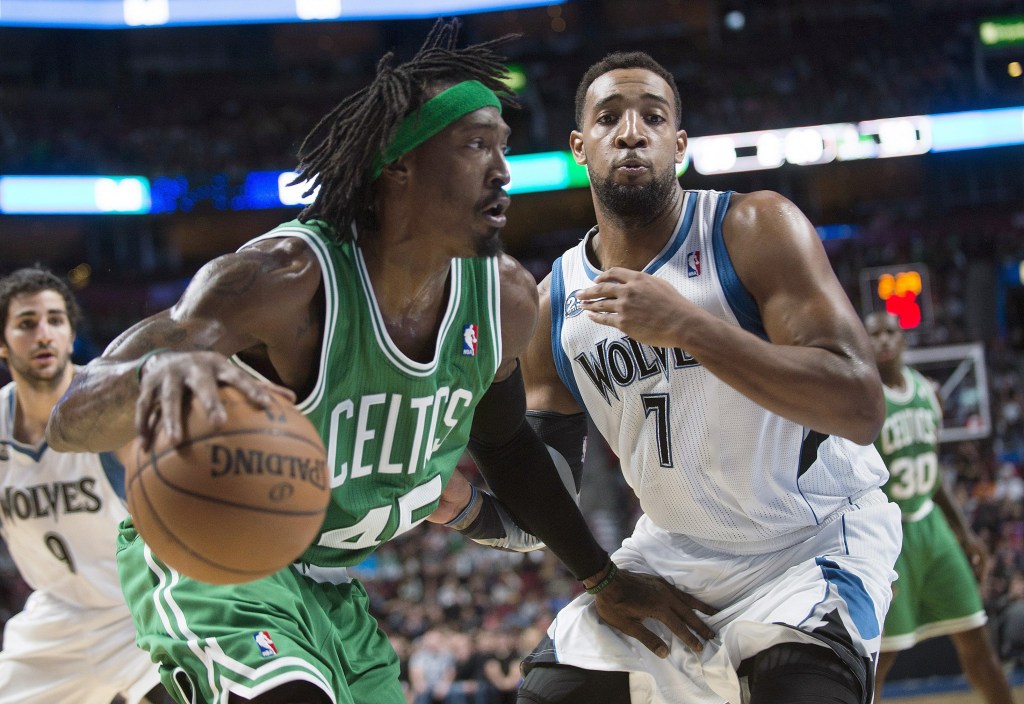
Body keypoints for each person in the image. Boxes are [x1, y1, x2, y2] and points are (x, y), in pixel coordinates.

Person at [46, 22, 696, 704]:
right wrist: (156, 377)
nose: (503, 169)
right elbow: (69, 418)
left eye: (503, 147)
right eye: (476, 146)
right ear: (401, 163)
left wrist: (602, 578)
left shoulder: (502, 299)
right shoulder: (284, 279)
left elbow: (508, 447)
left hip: (333, 594)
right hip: (217, 564)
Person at [514, 51, 904, 704]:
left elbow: (861, 407)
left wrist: (690, 328)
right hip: (674, 558)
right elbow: (540, 484)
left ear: (679, 144)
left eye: (653, 117)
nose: (631, 131)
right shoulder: (554, 304)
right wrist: (462, 502)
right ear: (580, 147)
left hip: (805, 547)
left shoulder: (754, 228)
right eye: (609, 118)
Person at [0, 267, 168, 704]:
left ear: (71, 336)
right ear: (2, 344)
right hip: (57, 618)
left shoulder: (108, 404)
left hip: (141, 608)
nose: (44, 334)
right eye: (26, 323)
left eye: (56, 320)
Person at [865, 311, 1016, 703]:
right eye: (874, 334)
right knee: (879, 660)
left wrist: (964, 534)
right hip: (890, 535)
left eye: (890, 332)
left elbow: (934, 475)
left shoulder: (927, 392)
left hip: (933, 527)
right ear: (864, 343)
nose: (883, 340)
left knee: (977, 641)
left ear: (903, 340)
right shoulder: (861, 397)